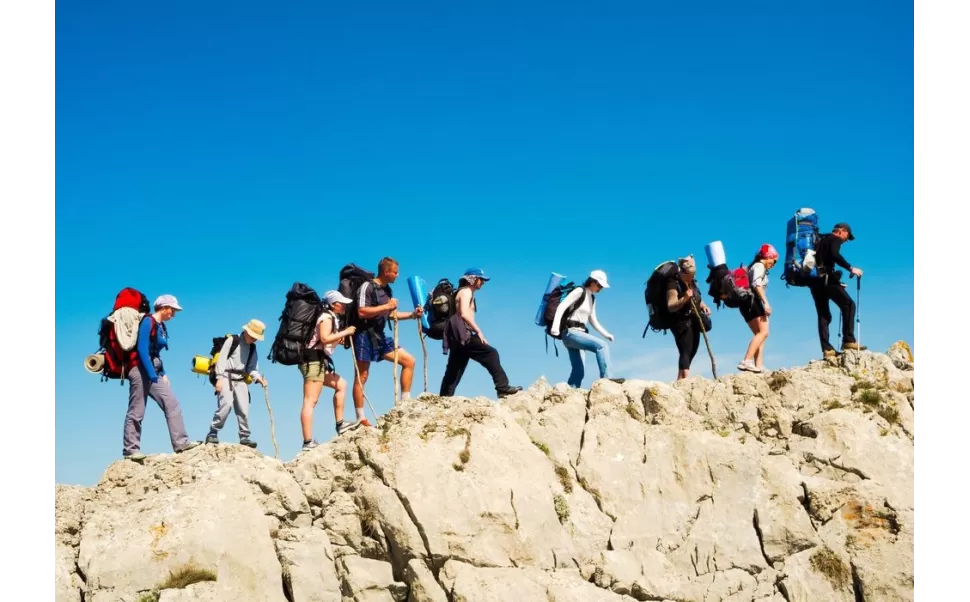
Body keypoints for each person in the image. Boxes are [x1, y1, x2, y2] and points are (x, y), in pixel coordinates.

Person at [123, 295, 200, 461]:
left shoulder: (162, 326)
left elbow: (155, 353)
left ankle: (181, 443)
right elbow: (142, 350)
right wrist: (152, 374)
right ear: (164, 308)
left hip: (154, 371)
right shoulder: (147, 322)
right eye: (172, 310)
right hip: (140, 370)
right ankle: (131, 450)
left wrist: (162, 373)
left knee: (171, 403)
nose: (174, 314)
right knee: (137, 410)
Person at [352, 257, 424, 415]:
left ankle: (405, 402)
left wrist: (413, 315)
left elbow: (391, 315)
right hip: (363, 335)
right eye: (395, 272)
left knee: (409, 361)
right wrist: (387, 306)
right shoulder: (367, 286)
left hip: (380, 336)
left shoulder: (387, 290)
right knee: (362, 375)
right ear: (386, 272)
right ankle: (361, 417)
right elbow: (361, 311)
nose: (397, 275)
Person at [440, 268, 522, 398]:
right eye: (481, 279)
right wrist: (479, 332)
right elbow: (464, 313)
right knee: (491, 353)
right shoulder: (466, 291)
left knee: (454, 370)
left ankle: (444, 398)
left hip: (457, 337)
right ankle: (502, 387)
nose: (483, 282)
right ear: (472, 279)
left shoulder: (462, 292)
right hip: (464, 335)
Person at [300, 291, 359, 450]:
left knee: (341, 385)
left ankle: (340, 424)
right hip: (312, 360)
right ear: (334, 304)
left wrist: (342, 338)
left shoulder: (329, 317)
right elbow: (325, 338)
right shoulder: (326, 317)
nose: (345, 305)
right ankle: (308, 443)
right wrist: (346, 332)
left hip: (317, 360)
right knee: (310, 401)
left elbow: (326, 339)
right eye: (342, 303)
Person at [548, 270, 624, 387]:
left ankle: (570, 393)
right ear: (592, 281)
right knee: (601, 346)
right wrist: (555, 327)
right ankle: (607, 378)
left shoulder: (592, 299)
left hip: (579, 336)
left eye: (602, 287)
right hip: (570, 333)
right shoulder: (579, 291)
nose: (600, 288)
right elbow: (562, 307)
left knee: (579, 371)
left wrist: (606, 334)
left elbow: (593, 320)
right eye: (599, 285)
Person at [205, 319, 268, 448]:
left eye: (256, 338)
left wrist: (258, 378)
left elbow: (252, 368)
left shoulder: (252, 348)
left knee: (243, 409)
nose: (254, 339)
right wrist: (219, 378)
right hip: (226, 376)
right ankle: (213, 433)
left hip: (241, 379)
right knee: (225, 405)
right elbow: (221, 359)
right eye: (253, 336)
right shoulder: (233, 340)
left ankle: (244, 437)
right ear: (246, 331)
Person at [810, 222, 865, 357]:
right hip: (827, 280)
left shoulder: (822, 241)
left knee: (824, 315)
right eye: (847, 236)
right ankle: (848, 340)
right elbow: (835, 255)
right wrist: (851, 268)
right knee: (848, 304)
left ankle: (827, 349)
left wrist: (837, 282)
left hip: (815, 281)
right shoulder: (835, 239)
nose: (846, 240)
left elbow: (824, 260)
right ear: (842, 231)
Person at [665, 257, 712, 380]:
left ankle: (680, 379)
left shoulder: (692, 282)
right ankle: (686, 379)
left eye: (693, 274)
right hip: (680, 321)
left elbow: (696, 298)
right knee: (685, 349)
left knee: (693, 348)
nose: (692, 277)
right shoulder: (673, 283)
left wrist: (704, 306)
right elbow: (671, 306)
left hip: (693, 318)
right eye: (689, 274)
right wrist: (685, 298)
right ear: (683, 272)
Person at [737, 245, 778, 373]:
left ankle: (758, 365)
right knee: (764, 332)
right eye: (773, 260)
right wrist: (766, 303)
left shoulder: (753, 267)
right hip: (753, 301)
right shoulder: (759, 266)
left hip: (746, 304)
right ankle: (746, 361)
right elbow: (756, 284)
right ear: (767, 257)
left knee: (760, 334)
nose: (774, 264)